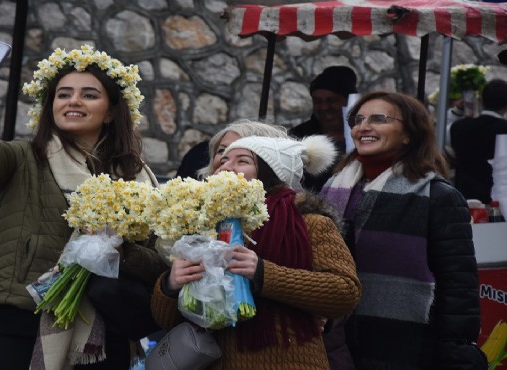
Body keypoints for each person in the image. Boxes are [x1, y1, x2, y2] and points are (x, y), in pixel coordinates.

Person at [0, 44, 167, 370]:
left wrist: (120, 253)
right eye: (63, 95)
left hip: (100, 331)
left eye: (89, 95)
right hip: (11, 319)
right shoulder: (23, 158)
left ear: (110, 111)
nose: (73, 101)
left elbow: (157, 261)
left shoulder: (139, 180)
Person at [151, 132, 362, 369]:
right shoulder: (202, 225)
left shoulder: (309, 223)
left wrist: (263, 273)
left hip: (287, 360)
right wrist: (170, 285)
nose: (226, 167)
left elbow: (345, 292)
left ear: (272, 173)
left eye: (242, 161)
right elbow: (164, 320)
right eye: (223, 160)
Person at [321, 91, 487, 369]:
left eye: (379, 119)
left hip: (408, 344)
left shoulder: (438, 196)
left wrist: (454, 346)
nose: (363, 127)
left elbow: (457, 285)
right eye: (358, 119)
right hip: (338, 342)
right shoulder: (333, 190)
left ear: (409, 133)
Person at [290, 66, 359, 192]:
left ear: (348, 102)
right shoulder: (297, 137)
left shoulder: (362, 136)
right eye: (317, 101)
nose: (324, 107)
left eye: (331, 100)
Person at [450, 79, 507, 204]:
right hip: (496, 202)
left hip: (462, 199)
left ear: (481, 100)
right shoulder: (504, 129)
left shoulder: (459, 127)